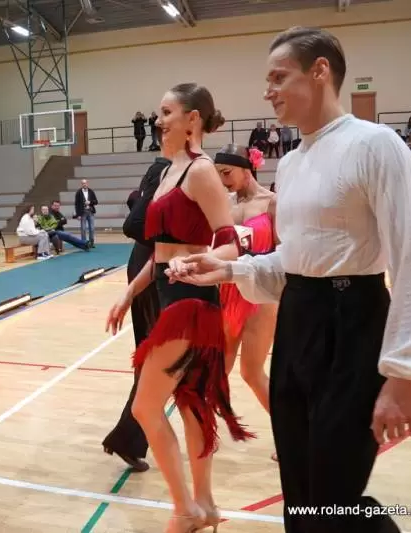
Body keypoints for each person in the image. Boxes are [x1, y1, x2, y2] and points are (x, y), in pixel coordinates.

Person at [174, 27, 411, 533]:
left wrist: (402, 373)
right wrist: (228, 270)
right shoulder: (292, 163)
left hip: (355, 325)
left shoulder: (376, 146)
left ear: (320, 71)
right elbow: (294, 263)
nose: (268, 91)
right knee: (300, 495)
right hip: (298, 323)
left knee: (334, 500)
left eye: (279, 77)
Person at [105, 83, 253, 533]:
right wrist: (129, 293)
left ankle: (184, 509)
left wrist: (197, 261)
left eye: (167, 112)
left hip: (191, 303)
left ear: (193, 119)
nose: (158, 120)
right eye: (158, 113)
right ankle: (204, 504)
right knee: (191, 405)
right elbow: (160, 251)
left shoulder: (202, 171)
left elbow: (230, 244)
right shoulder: (171, 170)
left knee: (146, 408)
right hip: (168, 294)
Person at [101, 154, 170, 473]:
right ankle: (128, 436)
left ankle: (131, 436)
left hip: (143, 264)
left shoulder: (160, 168)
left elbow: (134, 207)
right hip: (153, 268)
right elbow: (135, 223)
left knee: (154, 358)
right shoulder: (168, 170)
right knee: (161, 361)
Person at [214, 144, 279, 461]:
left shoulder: (271, 202)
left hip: (261, 293)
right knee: (218, 371)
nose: (222, 180)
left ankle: (290, 435)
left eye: (226, 173)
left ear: (246, 168)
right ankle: (203, 433)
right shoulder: (222, 203)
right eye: (218, 174)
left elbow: (283, 251)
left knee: (252, 372)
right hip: (228, 290)